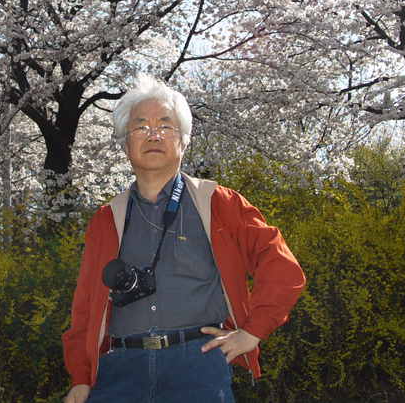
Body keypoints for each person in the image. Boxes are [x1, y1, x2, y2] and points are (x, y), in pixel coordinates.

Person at [62, 74, 305, 403]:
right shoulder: (106, 220)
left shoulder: (219, 204)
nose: (153, 135)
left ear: (183, 140)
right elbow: (84, 309)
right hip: (119, 370)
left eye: (165, 125)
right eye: (140, 127)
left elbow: (280, 265)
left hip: (197, 366)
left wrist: (252, 331)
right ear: (124, 143)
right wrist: (80, 377)